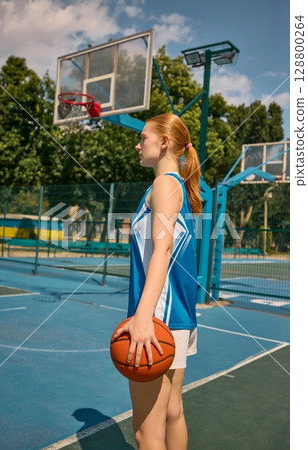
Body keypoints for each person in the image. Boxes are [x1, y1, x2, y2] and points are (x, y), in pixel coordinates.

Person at [114, 113, 202, 450]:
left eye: (144, 138)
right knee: (172, 413)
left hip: (158, 321)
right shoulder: (174, 185)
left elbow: (162, 252)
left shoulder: (164, 184)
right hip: (176, 319)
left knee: (145, 433)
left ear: (164, 143)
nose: (138, 145)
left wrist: (142, 317)